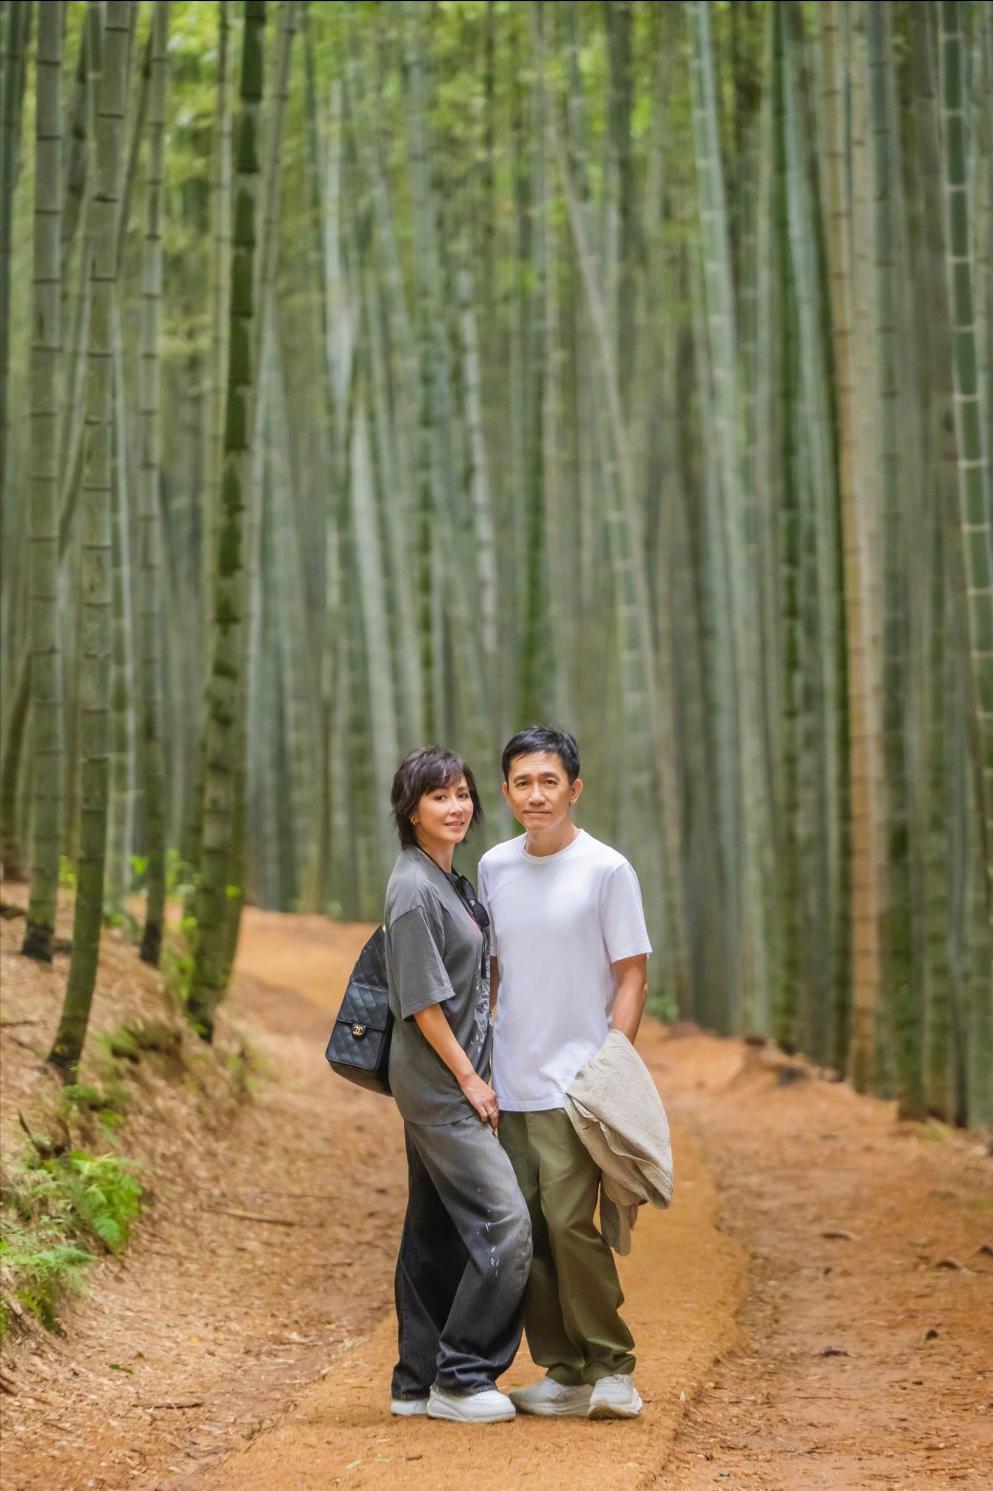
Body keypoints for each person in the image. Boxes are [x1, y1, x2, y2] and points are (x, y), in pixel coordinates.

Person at [477, 725, 652, 1420]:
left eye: (549, 780)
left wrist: (609, 1066)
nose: (536, 793)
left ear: (573, 788)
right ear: (505, 791)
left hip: (574, 1084)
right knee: (523, 1230)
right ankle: (563, 1368)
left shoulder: (606, 868)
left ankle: (613, 1367)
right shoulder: (492, 865)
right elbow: (489, 971)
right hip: (506, 1079)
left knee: (571, 1223)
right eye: (522, 781)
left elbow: (631, 974)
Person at [384, 745, 532, 1425]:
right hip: (442, 1085)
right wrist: (472, 1080)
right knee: (506, 1223)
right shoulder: (412, 887)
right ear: (410, 808)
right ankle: (463, 1373)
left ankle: (414, 1380)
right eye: (439, 795)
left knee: (435, 1229)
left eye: (463, 793)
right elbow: (420, 1000)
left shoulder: (447, 877)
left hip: (445, 1079)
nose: (456, 806)